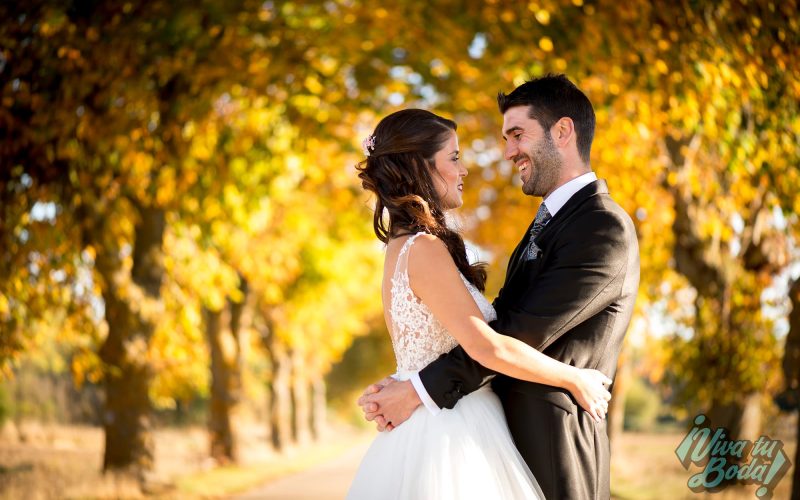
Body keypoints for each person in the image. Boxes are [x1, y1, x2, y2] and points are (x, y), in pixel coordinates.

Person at [359, 75, 640, 499]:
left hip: (553, 445)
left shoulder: (601, 226)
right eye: (454, 157)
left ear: (562, 131)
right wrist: (412, 383)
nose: (507, 152)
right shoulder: (533, 228)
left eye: (516, 135)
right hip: (473, 437)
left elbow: (515, 334)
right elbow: (492, 335)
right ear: (422, 167)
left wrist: (415, 387)